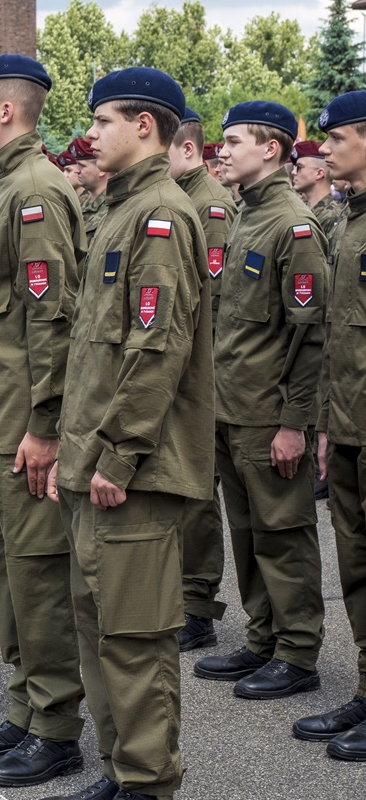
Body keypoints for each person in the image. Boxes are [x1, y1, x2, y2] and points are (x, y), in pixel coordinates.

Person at [48, 67, 211, 800]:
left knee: (136, 640)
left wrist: (117, 454)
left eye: (105, 120)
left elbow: (158, 350)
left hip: (136, 471)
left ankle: (147, 783)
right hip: (98, 464)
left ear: (145, 125)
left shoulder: (161, 217)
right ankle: (121, 772)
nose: (92, 134)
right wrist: (73, 452)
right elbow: (94, 354)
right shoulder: (117, 209)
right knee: (100, 630)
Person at [0, 54, 86, 788]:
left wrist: (45, 427)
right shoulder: (4, 190)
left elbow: (52, 322)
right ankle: (27, 709)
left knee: (35, 580)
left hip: (19, 430)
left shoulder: (36, 192)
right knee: (4, 576)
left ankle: (57, 726)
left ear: (7, 111)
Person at [194, 101, 328, 701]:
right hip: (231, 406)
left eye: (234, 141)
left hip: (268, 414)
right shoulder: (247, 215)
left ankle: (297, 652)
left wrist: (294, 423)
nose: (223, 150)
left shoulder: (292, 225)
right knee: (247, 532)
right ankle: (262, 638)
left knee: (283, 532)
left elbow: (310, 335)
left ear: (270, 148)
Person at [293, 89, 366, 760]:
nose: (324, 151)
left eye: (337, 138)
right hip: (344, 426)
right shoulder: (346, 224)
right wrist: (320, 425)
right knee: (356, 568)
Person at [167, 107, 237, 652]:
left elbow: (208, 302)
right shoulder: (182, 199)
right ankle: (186, 598)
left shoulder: (207, 204)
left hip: (203, 373)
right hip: (188, 371)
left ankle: (198, 604)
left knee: (199, 497)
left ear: (186, 149)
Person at [291, 140, 341, 237]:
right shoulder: (301, 209)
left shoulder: (332, 216)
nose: (293, 172)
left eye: (299, 167)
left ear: (319, 173)